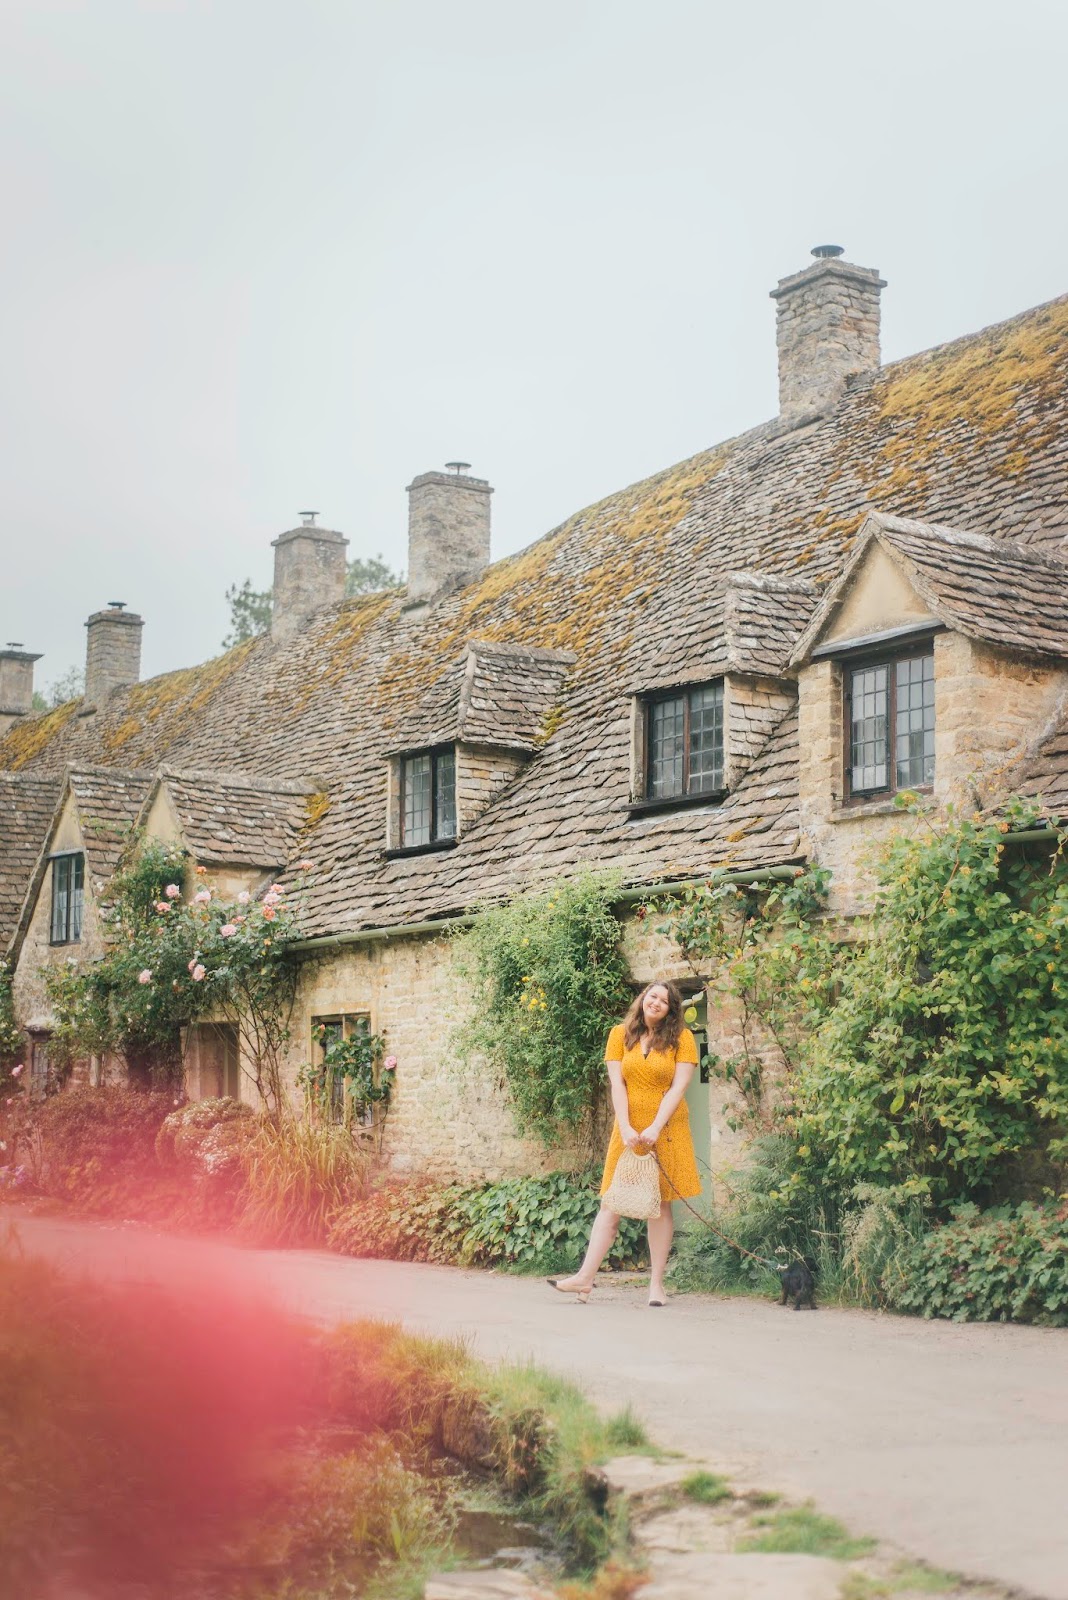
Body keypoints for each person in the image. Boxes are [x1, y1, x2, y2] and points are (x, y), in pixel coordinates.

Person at [548, 979, 702, 1307]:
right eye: (652, 996)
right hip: (628, 1129)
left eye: (664, 1000)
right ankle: (585, 1278)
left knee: (660, 1204)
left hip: (667, 1128)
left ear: (671, 1009)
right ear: (643, 998)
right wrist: (627, 1126)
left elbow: (679, 1087)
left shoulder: (682, 1038)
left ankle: (656, 1286)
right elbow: (617, 1085)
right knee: (611, 1201)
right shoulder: (619, 1034)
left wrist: (655, 1127)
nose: (656, 1002)